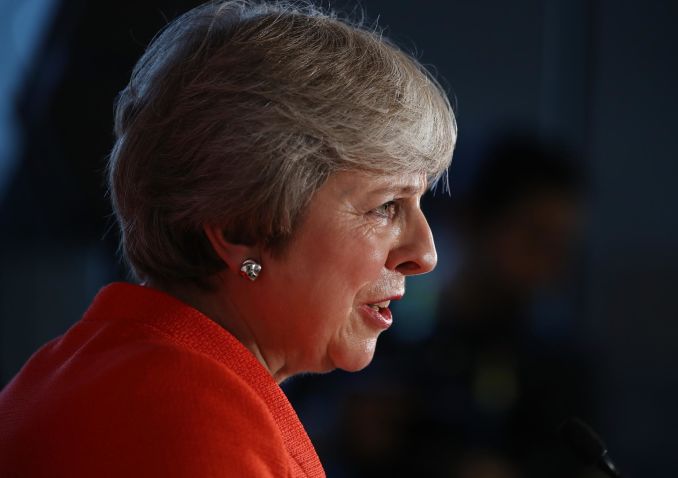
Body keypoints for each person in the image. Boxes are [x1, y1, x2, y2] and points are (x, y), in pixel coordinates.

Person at [0, 1, 456, 476]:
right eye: (386, 206)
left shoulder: (107, 372)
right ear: (242, 228)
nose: (424, 254)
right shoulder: (192, 429)